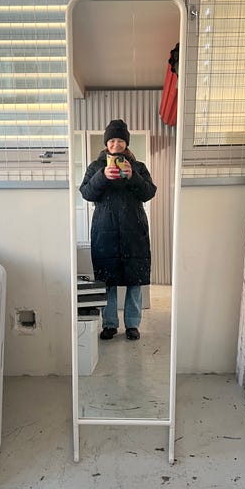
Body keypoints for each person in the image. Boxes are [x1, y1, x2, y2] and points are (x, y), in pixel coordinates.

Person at [79, 119, 157, 340]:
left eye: (120, 140)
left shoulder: (138, 167)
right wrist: (102, 176)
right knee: (108, 281)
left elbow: (149, 193)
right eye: (112, 140)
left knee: (135, 281)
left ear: (126, 143)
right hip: (105, 231)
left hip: (134, 232)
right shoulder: (95, 167)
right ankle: (110, 324)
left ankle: (132, 325)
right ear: (106, 142)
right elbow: (86, 193)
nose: (116, 144)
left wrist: (133, 176)